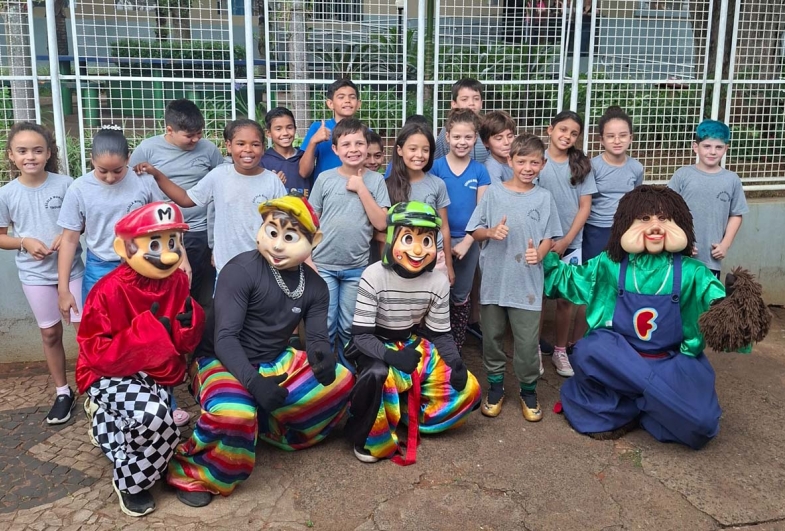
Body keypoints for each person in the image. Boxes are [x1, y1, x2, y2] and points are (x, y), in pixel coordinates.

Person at [167, 195, 354, 507]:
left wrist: (322, 356)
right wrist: (254, 383)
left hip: (273, 359)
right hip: (219, 360)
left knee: (342, 381)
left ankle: (270, 427)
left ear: (314, 241)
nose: (277, 245)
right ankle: (196, 472)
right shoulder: (240, 270)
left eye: (290, 237)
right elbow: (225, 338)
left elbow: (316, 337)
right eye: (272, 232)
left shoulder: (316, 286)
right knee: (234, 413)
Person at [543, 185, 763, 449]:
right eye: (645, 218)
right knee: (590, 349)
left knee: (702, 424)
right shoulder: (609, 264)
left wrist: (734, 305)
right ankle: (658, 402)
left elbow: (720, 311)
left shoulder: (693, 272)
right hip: (619, 359)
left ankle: (638, 403)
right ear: (625, 224)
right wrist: (545, 258)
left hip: (670, 362)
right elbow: (569, 279)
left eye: (664, 218)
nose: (655, 227)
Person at [78, 202, 205, 517]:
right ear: (124, 248)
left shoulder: (177, 281)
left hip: (156, 369)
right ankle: (130, 483)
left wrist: (189, 324)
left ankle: (105, 423)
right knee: (156, 420)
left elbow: (180, 342)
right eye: (155, 244)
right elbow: (94, 352)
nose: (169, 254)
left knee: (160, 426)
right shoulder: (106, 291)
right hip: (107, 372)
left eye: (173, 242)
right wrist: (145, 336)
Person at [345, 201, 481, 464]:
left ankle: (406, 414)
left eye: (426, 240)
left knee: (469, 389)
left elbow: (440, 334)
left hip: (411, 343)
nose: (418, 250)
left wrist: (456, 362)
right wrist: (391, 357)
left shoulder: (438, 281)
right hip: (375, 343)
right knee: (377, 374)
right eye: (408, 239)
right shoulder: (373, 275)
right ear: (392, 238)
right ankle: (368, 437)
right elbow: (361, 336)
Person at [466, 134, 562, 421]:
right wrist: (490, 232)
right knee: (492, 339)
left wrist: (539, 254)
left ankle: (528, 391)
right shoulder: (494, 194)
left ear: (543, 164)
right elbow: (475, 230)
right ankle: (495, 388)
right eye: (521, 161)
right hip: (494, 282)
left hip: (527, 285)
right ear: (510, 161)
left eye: (534, 162)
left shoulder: (544, 198)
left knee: (527, 344)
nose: (527, 168)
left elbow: (549, 237)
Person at [0, 122, 84, 424]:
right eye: (22, 151)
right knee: (50, 333)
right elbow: (1, 237)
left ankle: (96, 387)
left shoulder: (67, 184)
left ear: (49, 153)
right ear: (11, 155)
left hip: (73, 271)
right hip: (34, 276)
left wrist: (68, 234)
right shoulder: (7, 193)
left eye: (37, 150)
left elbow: (83, 220)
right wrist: (24, 242)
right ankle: (63, 392)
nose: (30, 157)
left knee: (85, 331)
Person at [136, 119, 287, 277]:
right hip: (227, 266)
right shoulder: (218, 176)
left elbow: (285, 220)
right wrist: (157, 174)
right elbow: (185, 199)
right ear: (229, 146)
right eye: (241, 144)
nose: (248, 149)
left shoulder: (272, 181)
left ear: (263, 148)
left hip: (264, 266)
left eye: (255, 144)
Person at [57, 125, 165, 314]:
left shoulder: (144, 182)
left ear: (128, 158)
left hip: (142, 262)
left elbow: (163, 226)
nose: (110, 178)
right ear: (91, 159)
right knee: (100, 320)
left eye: (117, 170)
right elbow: (69, 239)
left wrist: (180, 259)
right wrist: (63, 289)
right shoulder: (79, 188)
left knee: (141, 320)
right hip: (100, 264)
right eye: (102, 170)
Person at [308, 118, 391, 359]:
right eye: (346, 144)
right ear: (335, 149)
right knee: (326, 324)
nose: (353, 149)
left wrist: (361, 188)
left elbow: (381, 223)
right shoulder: (324, 178)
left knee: (349, 326)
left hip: (356, 268)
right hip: (323, 265)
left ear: (367, 146)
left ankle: (348, 371)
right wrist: (308, 259)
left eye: (359, 143)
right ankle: (325, 372)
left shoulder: (376, 180)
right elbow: (310, 222)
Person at [129, 99, 224, 304]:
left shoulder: (208, 149)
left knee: (192, 286)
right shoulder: (147, 149)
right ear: (170, 130)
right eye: (189, 136)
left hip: (198, 230)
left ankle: (192, 319)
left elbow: (222, 179)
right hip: (163, 232)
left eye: (199, 133)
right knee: (164, 287)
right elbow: (132, 185)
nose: (196, 139)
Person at [577, 106, 644, 341]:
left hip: (625, 234)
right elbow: (584, 202)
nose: (617, 141)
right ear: (601, 139)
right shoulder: (592, 166)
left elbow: (636, 200)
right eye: (611, 136)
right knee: (594, 284)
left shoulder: (636, 168)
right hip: (595, 232)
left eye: (623, 135)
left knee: (620, 282)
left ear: (631, 137)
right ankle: (584, 338)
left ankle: (615, 335)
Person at [536, 110, 596, 377]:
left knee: (565, 300)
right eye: (562, 130)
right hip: (541, 243)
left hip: (570, 243)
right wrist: (546, 241)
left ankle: (560, 351)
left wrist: (567, 240)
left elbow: (585, 207)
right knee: (537, 297)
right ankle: (534, 349)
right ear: (550, 129)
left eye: (574, 133)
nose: (567, 136)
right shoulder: (537, 160)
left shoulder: (580, 166)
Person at [429, 109, 491, 354]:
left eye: (467, 137)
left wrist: (467, 241)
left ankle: (455, 347)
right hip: (437, 239)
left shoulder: (480, 171)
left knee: (460, 294)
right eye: (456, 137)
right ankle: (435, 345)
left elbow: (482, 210)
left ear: (475, 138)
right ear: (447, 137)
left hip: (468, 242)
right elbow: (432, 207)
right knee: (436, 291)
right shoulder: (435, 168)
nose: (462, 142)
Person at [667, 119, 748, 278]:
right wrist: (679, 241)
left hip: (711, 259)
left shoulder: (732, 179)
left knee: (707, 294)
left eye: (718, 147)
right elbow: (666, 210)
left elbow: (736, 214)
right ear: (695, 147)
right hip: (679, 255)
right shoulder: (682, 175)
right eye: (707, 146)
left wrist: (725, 244)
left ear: (726, 148)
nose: (712, 152)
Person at [299, 78, 362, 180]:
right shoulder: (318, 128)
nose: (347, 101)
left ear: (358, 104)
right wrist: (313, 141)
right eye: (341, 97)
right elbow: (303, 172)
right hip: (325, 188)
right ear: (330, 104)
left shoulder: (365, 132)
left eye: (352, 97)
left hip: (356, 187)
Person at [261, 106, 314, 198]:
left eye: (289, 127)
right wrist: (274, 184)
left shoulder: (305, 157)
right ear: (268, 133)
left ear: (295, 129)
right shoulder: (263, 161)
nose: (285, 133)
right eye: (278, 129)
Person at [434, 78, 488, 163]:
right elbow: (436, 161)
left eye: (476, 99)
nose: (471, 103)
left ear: (481, 103)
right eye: (464, 99)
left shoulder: (487, 129)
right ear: (454, 104)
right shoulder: (447, 131)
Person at [479, 111, 516, 184]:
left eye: (510, 136)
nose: (506, 142)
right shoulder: (491, 168)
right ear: (486, 142)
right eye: (499, 138)